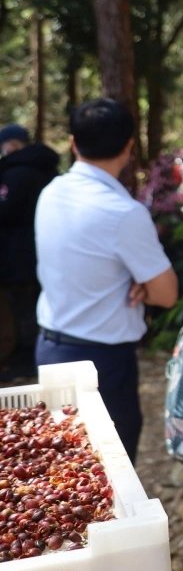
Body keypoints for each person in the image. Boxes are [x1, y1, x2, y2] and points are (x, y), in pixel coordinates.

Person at [34, 100, 177, 571]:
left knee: (60, 472)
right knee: (106, 480)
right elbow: (166, 292)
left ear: (73, 143)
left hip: (51, 346)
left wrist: (134, 279)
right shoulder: (123, 212)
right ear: (129, 147)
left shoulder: (51, 192)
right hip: (101, 361)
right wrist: (140, 281)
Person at [0, 124, 58, 380]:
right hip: (41, 251)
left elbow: (6, 211)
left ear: (12, 144)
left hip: (16, 256)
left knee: (22, 309)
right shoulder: (46, 170)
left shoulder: (15, 174)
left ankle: (26, 361)